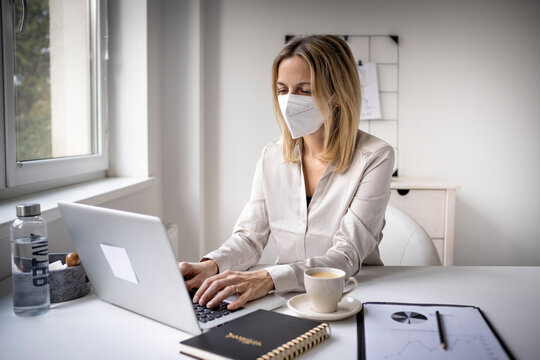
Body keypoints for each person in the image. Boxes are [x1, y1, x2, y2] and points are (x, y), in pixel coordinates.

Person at [179, 35, 394, 311]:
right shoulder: (272, 155)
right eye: (282, 90)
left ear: (338, 95)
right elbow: (250, 237)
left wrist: (268, 277)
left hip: (352, 295)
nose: (290, 101)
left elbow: (346, 256)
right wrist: (211, 265)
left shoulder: (375, 156)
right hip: (287, 297)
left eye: (304, 90)